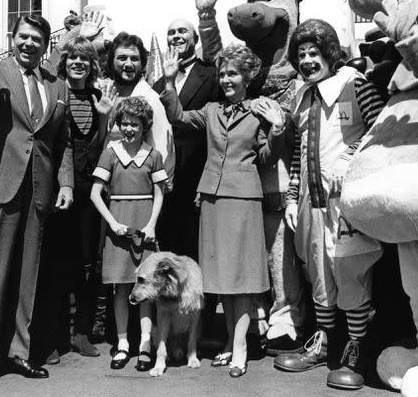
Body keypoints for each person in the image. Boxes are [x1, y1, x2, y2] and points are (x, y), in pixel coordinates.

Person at [0, 0, 73, 393]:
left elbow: (64, 141)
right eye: (23, 37)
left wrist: (66, 183)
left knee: (28, 276)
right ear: (14, 37)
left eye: (36, 40)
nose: (29, 44)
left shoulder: (56, 85)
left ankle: (18, 353)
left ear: (45, 47)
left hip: (38, 191)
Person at [160, 43, 287, 377]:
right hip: (212, 198)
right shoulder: (212, 109)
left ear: (247, 77)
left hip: (243, 198)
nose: (227, 79)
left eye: (233, 73)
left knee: (242, 278)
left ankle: (241, 346)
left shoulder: (260, 110)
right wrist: (170, 82)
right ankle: (231, 341)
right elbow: (177, 117)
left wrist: (276, 129)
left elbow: (266, 158)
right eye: (223, 73)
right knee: (222, 278)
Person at [274, 19, 385, 390]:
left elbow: (381, 130)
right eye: (301, 54)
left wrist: (352, 155)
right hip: (311, 204)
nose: (307, 60)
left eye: (314, 52)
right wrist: (292, 197)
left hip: (348, 204)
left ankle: (355, 351)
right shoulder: (302, 97)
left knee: (351, 272)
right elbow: (298, 154)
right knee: (319, 274)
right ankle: (322, 343)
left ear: (330, 52)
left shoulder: (356, 85)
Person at [41, 36, 116, 364]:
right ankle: (53, 335)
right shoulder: (54, 92)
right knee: (56, 260)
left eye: (84, 59)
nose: (78, 63)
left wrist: (103, 116)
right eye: (72, 57)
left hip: (91, 187)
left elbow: (100, 146)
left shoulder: (99, 96)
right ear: (64, 61)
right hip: (60, 184)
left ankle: (81, 331)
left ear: (92, 65)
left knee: (88, 262)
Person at [90, 96, 167, 372]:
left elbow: (159, 193)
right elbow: (95, 193)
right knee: (120, 288)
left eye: (134, 123)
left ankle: (145, 343)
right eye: (124, 123)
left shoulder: (153, 155)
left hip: (143, 227)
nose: (129, 128)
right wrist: (111, 223)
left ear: (145, 125)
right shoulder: (111, 152)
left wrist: (152, 225)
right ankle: (123, 344)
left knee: (145, 289)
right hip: (119, 228)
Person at [153, 18, 221, 260]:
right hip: (168, 177)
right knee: (169, 247)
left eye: (182, 31)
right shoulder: (159, 83)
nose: (176, 36)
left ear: (196, 38)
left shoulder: (212, 75)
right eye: (171, 32)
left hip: (199, 174)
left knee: (198, 247)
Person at [103, 32, 174, 191]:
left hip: (138, 189)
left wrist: (158, 192)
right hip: (105, 187)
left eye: (134, 59)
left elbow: (163, 150)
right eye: (122, 58)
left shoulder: (151, 99)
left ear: (142, 64)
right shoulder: (105, 94)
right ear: (111, 61)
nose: (128, 64)